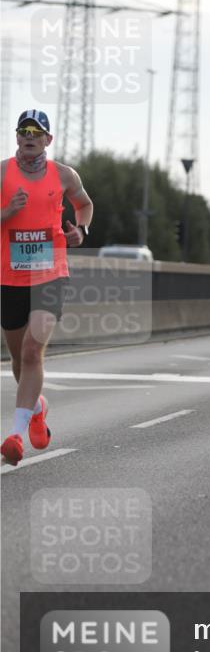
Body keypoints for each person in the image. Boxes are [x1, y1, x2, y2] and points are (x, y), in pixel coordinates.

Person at [1, 110, 93, 466]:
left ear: (47, 140)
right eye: (23, 130)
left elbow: (84, 205)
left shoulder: (65, 175)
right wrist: (7, 212)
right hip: (9, 277)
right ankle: (36, 409)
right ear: (17, 136)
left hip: (50, 274)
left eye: (36, 132)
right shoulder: (2, 172)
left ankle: (14, 436)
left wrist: (81, 230)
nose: (29, 136)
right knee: (18, 362)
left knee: (31, 351)